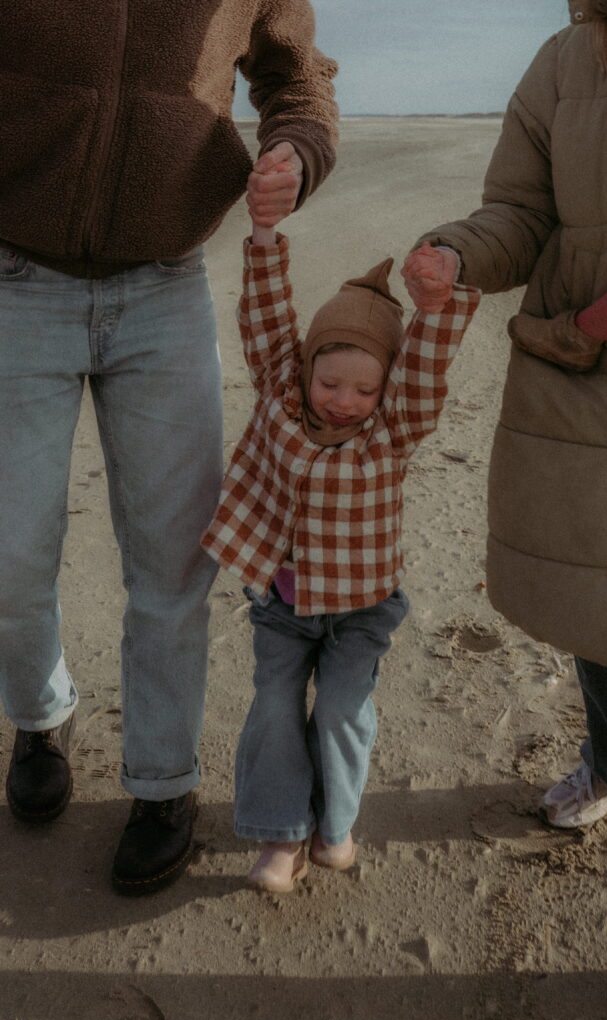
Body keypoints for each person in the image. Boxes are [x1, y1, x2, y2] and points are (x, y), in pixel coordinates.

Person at [0, 1, 338, 897]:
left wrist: (295, 154)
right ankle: (39, 718)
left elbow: (296, 78)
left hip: (165, 291)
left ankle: (163, 783)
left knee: (172, 562)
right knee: (10, 554)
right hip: (14, 281)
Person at [404, 0, 607, 947]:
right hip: (594, 391)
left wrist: (601, 318)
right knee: (599, 613)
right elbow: (520, 210)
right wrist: (455, 252)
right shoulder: (565, 57)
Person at [200, 166, 480, 892]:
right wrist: (263, 231)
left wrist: (436, 304)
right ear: (303, 369)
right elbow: (265, 312)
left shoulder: (393, 428)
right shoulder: (280, 396)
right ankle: (278, 835)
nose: (346, 400)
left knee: (341, 716)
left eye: (365, 388)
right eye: (330, 383)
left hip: (360, 611)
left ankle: (335, 824)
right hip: (283, 607)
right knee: (272, 711)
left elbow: (424, 366)